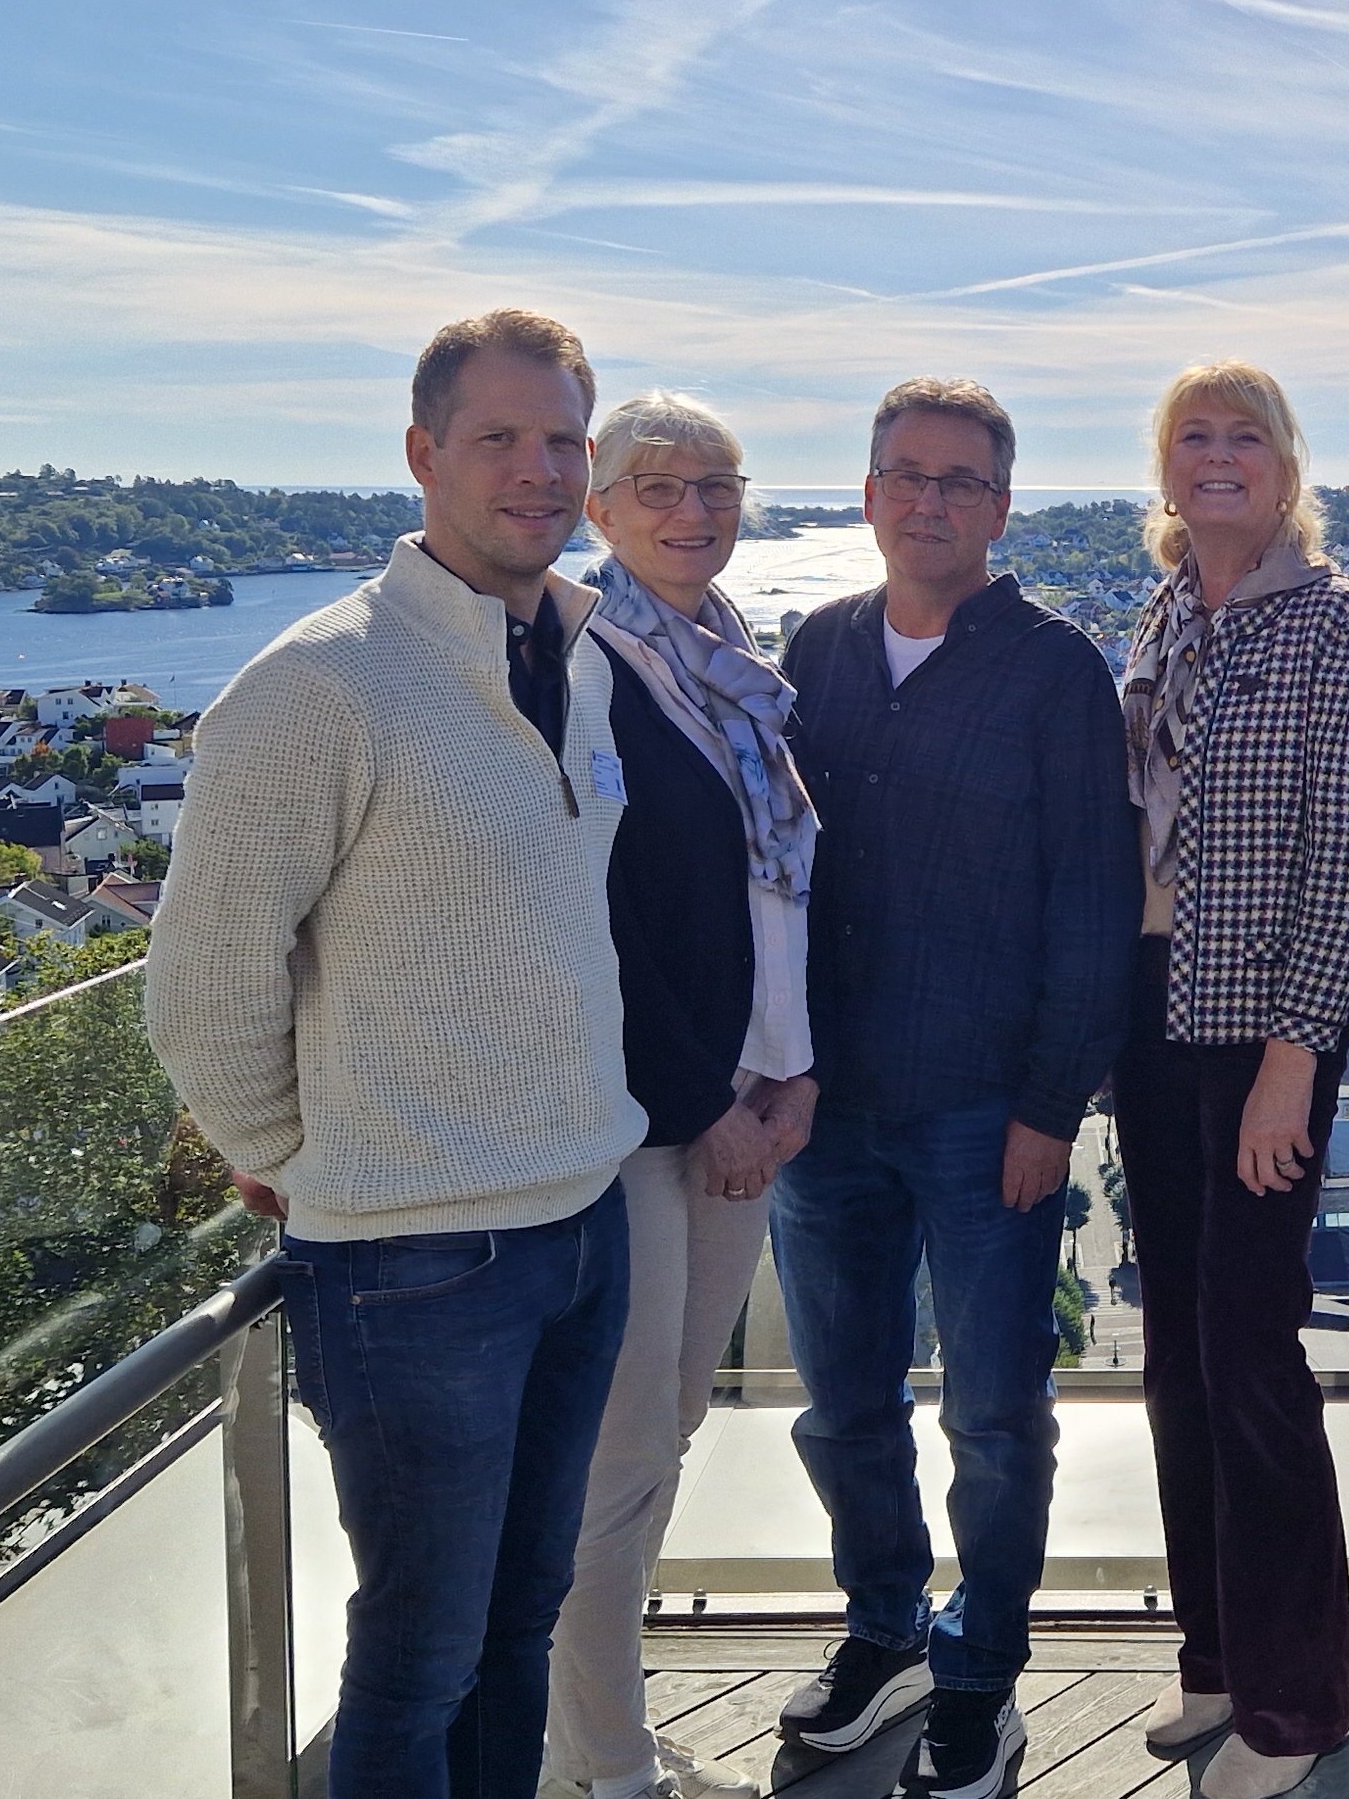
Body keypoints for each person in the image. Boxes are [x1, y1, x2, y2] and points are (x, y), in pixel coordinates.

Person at [149, 309, 644, 1799]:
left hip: (582, 1219)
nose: (537, 470)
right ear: (423, 454)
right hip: (413, 1258)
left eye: (562, 440)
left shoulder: (577, 657)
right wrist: (301, 1159)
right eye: (498, 438)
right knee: (420, 1656)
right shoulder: (320, 685)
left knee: (519, 1619)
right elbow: (204, 982)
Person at [771, 379, 1141, 1799]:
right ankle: (886, 1631)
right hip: (826, 1107)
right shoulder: (820, 645)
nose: (930, 502)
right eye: (907, 476)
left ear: (1002, 506)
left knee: (993, 1417)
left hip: (986, 1109)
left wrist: (1053, 1106)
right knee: (841, 1405)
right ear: (869, 494)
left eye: (962, 481)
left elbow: (1092, 903)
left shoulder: (1054, 670)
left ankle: (981, 1671)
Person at [1115, 360, 1349, 1799]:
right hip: (1149, 1014)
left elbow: (1347, 869)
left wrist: (1296, 1058)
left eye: (1244, 438)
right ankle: (1217, 1659)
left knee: (1251, 1357)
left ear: (1287, 467)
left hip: (1260, 1032)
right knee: (1177, 1354)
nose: (1217, 459)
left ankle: (1299, 1708)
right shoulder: (1165, 611)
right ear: (1165, 467)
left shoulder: (1339, 624)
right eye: (1193, 438)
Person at [543, 392, 823, 1799]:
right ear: (598, 507)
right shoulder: (578, 663)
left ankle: (594, 1734)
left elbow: (776, 896)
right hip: (637, 1117)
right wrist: (707, 1102)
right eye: (656, 485)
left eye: (716, 484)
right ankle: (601, 1766)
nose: (693, 509)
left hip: (747, 1089)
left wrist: (793, 1067)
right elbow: (594, 918)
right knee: (622, 1451)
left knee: (675, 1429)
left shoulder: (729, 657)